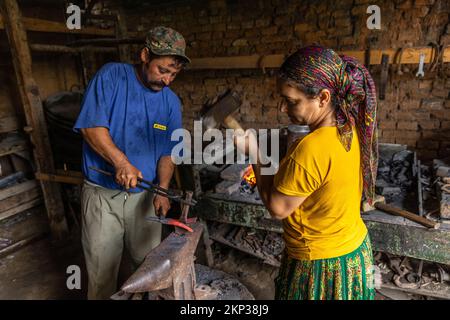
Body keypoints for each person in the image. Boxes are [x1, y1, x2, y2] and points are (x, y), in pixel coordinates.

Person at [236, 45, 378, 300]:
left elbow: (278, 208)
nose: (283, 108)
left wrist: (255, 152)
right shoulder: (351, 127)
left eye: (291, 101)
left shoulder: (311, 148)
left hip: (320, 264)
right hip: (354, 252)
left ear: (323, 97)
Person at [73, 26, 190, 299]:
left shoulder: (171, 102)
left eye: (174, 74)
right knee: (102, 274)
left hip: (144, 199)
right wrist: (121, 163)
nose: (168, 80)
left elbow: (167, 152)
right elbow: (91, 127)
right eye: (163, 70)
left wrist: (161, 188)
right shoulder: (111, 77)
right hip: (102, 195)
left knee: (147, 267)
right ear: (144, 55)